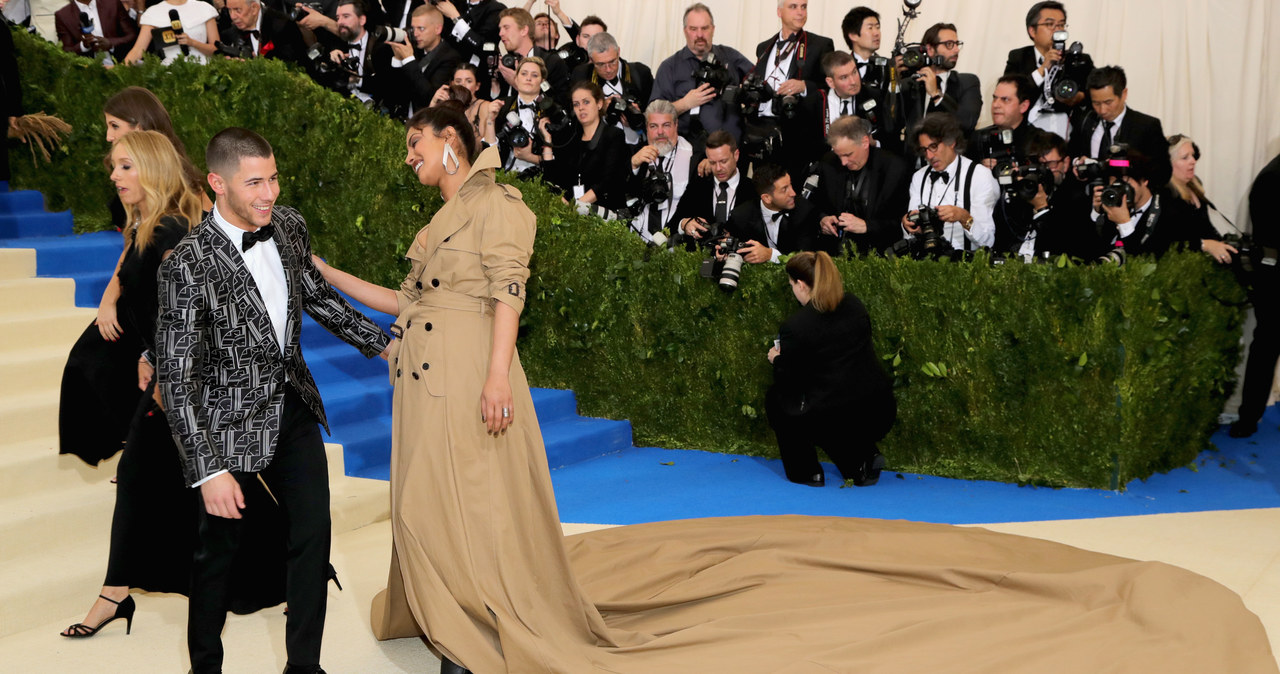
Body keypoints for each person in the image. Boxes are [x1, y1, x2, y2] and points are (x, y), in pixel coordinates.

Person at [156, 127, 391, 674]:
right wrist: (206, 468)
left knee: (313, 539)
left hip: (292, 408)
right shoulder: (186, 264)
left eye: (274, 177)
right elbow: (176, 373)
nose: (270, 193)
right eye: (255, 182)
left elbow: (315, 295)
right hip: (225, 426)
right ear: (218, 183)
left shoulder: (286, 226)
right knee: (217, 556)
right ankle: (205, 667)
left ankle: (303, 666)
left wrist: (384, 345)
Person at [60, 130, 289, 641]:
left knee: (164, 480)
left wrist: (165, 371)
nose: (115, 176)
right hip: (168, 373)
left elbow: (186, 313)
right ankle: (295, 567)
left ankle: (114, 596)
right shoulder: (147, 226)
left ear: (150, 166)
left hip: (185, 382)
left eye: (125, 166)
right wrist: (146, 351)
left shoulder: (169, 230)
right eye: (113, 167)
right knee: (193, 488)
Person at [59, 86, 210, 469]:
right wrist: (111, 298)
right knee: (92, 364)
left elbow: (186, 289)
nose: (108, 135)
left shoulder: (174, 221)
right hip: (148, 304)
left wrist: (157, 357)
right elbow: (133, 244)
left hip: (175, 337)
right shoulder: (144, 212)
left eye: (114, 126)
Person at [767, 250, 894, 486]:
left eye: (792, 284)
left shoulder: (796, 326)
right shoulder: (854, 305)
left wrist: (777, 359)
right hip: (879, 409)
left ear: (802, 285)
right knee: (832, 400)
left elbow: (790, 378)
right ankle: (861, 461)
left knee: (779, 400)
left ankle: (807, 472)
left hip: (835, 414)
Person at [1093, 148, 1228, 259]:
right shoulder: (1110, 202)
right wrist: (1096, 214)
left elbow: (1146, 261)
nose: (1119, 188)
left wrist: (1124, 224)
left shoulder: (1171, 211)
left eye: (1125, 182)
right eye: (1113, 182)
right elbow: (1086, 251)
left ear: (1144, 180)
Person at [651, 2, 753, 145]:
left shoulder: (730, 57)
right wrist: (685, 103)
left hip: (730, 150)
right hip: (688, 151)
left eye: (704, 28)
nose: (699, 35)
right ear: (685, 30)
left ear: (713, 29)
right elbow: (654, 115)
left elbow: (758, 82)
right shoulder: (669, 67)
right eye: (693, 29)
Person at [1231, 152, 1280, 438]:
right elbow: (1267, 232)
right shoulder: (1272, 176)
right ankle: (1248, 417)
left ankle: (1248, 417)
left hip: (1271, 271)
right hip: (1274, 275)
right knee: (1266, 346)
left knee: (1265, 346)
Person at [812, 115, 910, 256]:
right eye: (839, 155)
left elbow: (902, 222)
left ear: (864, 142)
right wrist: (823, 219)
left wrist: (867, 226)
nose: (843, 162)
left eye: (848, 154)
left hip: (880, 254)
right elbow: (816, 205)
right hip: (835, 252)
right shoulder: (828, 162)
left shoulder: (894, 168)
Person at [900, 112, 997, 252]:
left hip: (966, 266)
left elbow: (987, 240)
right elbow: (910, 236)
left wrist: (964, 217)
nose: (929, 156)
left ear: (951, 142)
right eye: (924, 149)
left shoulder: (979, 175)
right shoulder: (919, 177)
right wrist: (907, 224)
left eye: (934, 147)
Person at [1003, 1, 1092, 139]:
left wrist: (1079, 97)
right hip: (1027, 135)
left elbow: (1095, 93)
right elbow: (1011, 95)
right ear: (1032, 31)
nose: (1057, 30)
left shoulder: (1078, 60)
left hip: (1069, 134)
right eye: (1050, 24)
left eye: (1061, 25)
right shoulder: (1018, 58)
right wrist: (1043, 68)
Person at [1069, 65, 1170, 184]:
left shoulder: (1146, 126)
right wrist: (1077, 163)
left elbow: (1163, 172)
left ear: (1124, 94)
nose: (1102, 110)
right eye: (1096, 103)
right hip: (1088, 197)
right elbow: (1071, 153)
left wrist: (1119, 165)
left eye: (1108, 102)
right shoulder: (1084, 120)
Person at [542, 81, 629, 211]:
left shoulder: (614, 135)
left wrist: (575, 207)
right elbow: (552, 179)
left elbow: (607, 181)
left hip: (604, 213)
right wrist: (547, 141)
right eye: (576, 104)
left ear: (599, 104)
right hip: (574, 215)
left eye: (586, 102)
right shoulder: (571, 138)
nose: (581, 108)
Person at [627, 99, 698, 243]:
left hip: (676, 244)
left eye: (666, 125)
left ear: (676, 125)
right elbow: (620, 195)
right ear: (646, 128)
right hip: (636, 240)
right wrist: (633, 166)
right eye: (653, 126)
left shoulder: (694, 157)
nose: (660, 132)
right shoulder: (635, 154)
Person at [726, 162, 825, 264]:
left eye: (790, 184)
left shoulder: (805, 211)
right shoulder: (741, 216)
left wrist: (770, 255)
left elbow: (806, 260)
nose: (793, 193)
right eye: (784, 189)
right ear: (767, 198)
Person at [672, 130, 757, 247]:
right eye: (712, 162)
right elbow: (673, 223)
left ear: (736, 155)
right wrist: (684, 224)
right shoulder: (698, 187)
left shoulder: (753, 190)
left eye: (723, 161)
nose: (718, 168)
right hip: (701, 261)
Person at [901, 22, 982, 140]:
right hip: (915, 156)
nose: (956, 50)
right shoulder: (911, 83)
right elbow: (892, 125)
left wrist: (936, 95)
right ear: (930, 49)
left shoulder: (968, 82)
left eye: (957, 44)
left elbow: (967, 123)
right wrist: (893, 80)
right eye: (949, 44)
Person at [574, 32, 652, 146]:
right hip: (599, 148)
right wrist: (599, 108)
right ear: (591, 59)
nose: (608, 69)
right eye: (600, 64)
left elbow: (657, 111)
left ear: (618, 52)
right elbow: (574, 113)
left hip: (637, 146)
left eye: (612, 61)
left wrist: (638, 115)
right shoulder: (582, 75)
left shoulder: (640, 73)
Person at [482, 56, 555, 172]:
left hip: (540, 181)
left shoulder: (552, 111)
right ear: (516, 79)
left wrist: (531, 158)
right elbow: (489, 155)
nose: (528, 78)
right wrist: (490, 120)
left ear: (542, 81)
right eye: (524, 74)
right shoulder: (502, 106)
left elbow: (560, 161)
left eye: (534, 75)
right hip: (506, 178)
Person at [389, 4, 462, 117]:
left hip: (428, 120)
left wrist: (409, 60)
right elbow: (396, 91)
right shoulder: (414, 50)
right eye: (413, 28)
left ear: (438, 29)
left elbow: (431, 97)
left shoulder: (450, 57)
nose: (415, 34)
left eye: (421, 29)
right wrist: (398, 60)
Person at [490, 7, 569, 102]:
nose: (500, 33)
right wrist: (495, 84)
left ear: (524, 30)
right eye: (500, 29)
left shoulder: (552, 63)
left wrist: (517, 84)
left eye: (506, 28)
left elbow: (559, 103)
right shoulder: (506, 64)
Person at [966, 74, 1043, 169]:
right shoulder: (977, 139)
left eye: (1005, 99)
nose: (996, 105)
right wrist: (979, 169)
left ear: (1023, 106)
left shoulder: (1040, 141)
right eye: (995, 98)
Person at [122, 0, 220, 65]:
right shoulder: (153, 13)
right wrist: (119, 68)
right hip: (171, 73)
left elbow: (217, 50)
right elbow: (138, 50)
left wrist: (193, 43)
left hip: (204, 71)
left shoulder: (204, 8)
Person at [221, 0, 307, 64]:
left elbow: (292, 66)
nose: (232, 16)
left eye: (237, 10)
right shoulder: (230, 34)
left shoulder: (282, 26)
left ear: (254, 8)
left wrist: (254, 66)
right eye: (229, 10)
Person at [54, 0, 138, 64]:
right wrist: (83, 46)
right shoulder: (63, 15)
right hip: (87, 73)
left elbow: (132, 35)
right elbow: (65, 50)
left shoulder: (112, 3)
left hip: (121, 65)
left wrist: (111, 44)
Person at [841, 6, 887, 88]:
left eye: (877, 27)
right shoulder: (841, 68)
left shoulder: (886, 66)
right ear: (853, 35)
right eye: (870, 28)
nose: (876, 33)